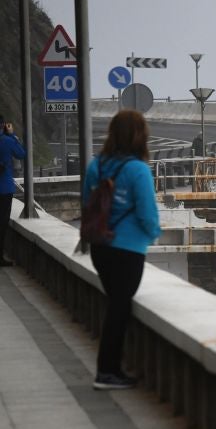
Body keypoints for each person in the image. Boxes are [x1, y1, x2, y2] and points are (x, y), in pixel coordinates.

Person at [81, 110, 162, 390]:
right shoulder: (138, 169)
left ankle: (111, 370)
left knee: (116, 304)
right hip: (128, 250)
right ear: (140, 136)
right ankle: (107, 372)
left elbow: (87, 202)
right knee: (120, 307)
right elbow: (148, 214)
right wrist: (153, 235)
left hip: (100, 247)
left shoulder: (97, 166)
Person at [0, 117, 28, 267]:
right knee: (2, 222)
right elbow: (21, 154)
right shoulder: (7, 140)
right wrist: (11, 135)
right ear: (4, 125)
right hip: (4, 188)